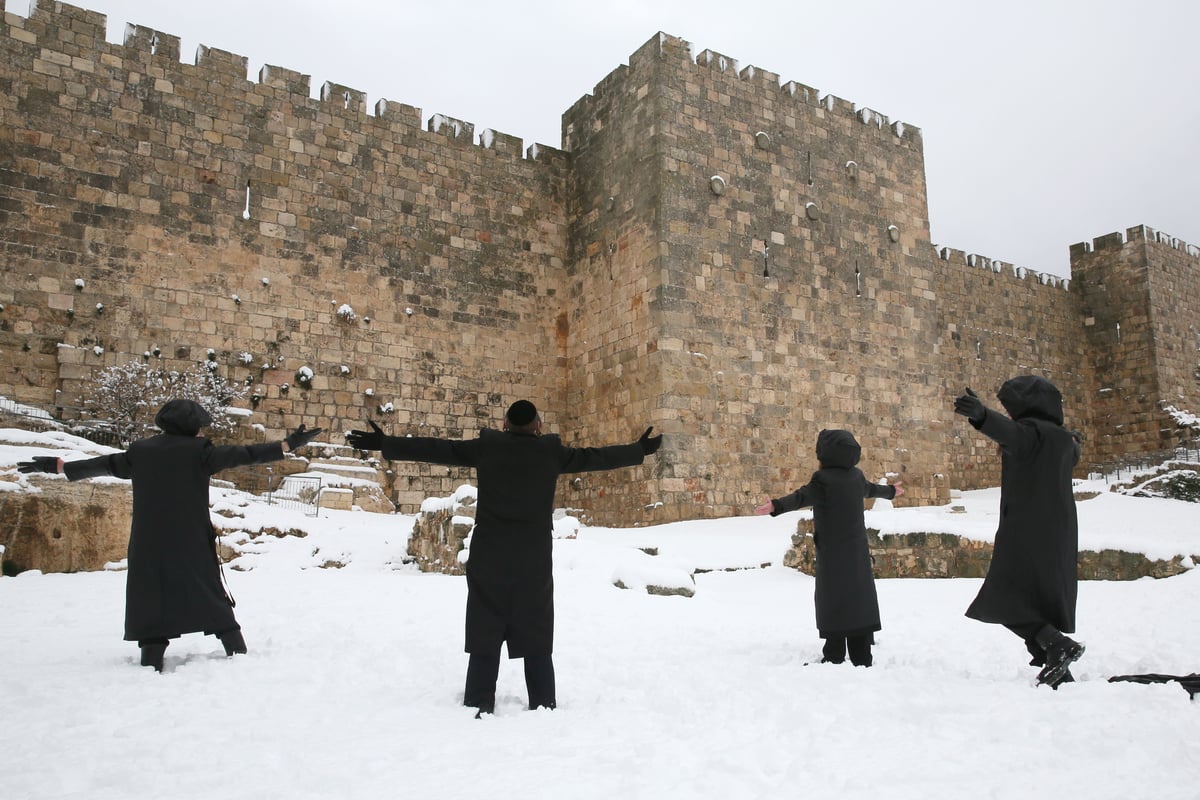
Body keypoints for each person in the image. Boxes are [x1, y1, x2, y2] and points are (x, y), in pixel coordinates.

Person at [347, 399, 661, 717]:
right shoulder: (549, 453)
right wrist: (639, 450)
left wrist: (385, 443)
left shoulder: (488, 448)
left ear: (505, 424)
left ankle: (479, 700)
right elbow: (597, 457)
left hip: (490, 555)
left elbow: (439, 449)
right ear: (538, 426)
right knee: (536, 630)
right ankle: (542, 702)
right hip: (532, 558)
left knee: (486, 625)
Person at [18, 399, 322, 672]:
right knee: (207, 591)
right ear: (190, 427)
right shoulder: (200, 452)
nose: (202, 432)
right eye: (200, 426)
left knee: (151, 593)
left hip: (149, 543)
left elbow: (105, 465)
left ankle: (152, 656)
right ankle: (234, 646)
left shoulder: (141, 451)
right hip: (190, 540)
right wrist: (287, 445)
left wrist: (60, 467)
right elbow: (243, 454)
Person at [953, 377, 1083, 688]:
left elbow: (1009, 432)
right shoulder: (1065, 441)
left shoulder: (1034, 435)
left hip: (1028, 530)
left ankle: (1056, 644)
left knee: (1004, 596)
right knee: (1040, 598)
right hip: (1058, 532)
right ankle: (1059, 670)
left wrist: (981, 415)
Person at [753, 429, 904, 667]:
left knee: (834, 601)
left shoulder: (823, 480)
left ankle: (834, 655)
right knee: (858, 601)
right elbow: (872, 489)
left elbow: (801, 497)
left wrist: (776, 506)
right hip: (857, 554)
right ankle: (861, 655)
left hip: (833, 555)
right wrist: (892, 492)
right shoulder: (856, 477)